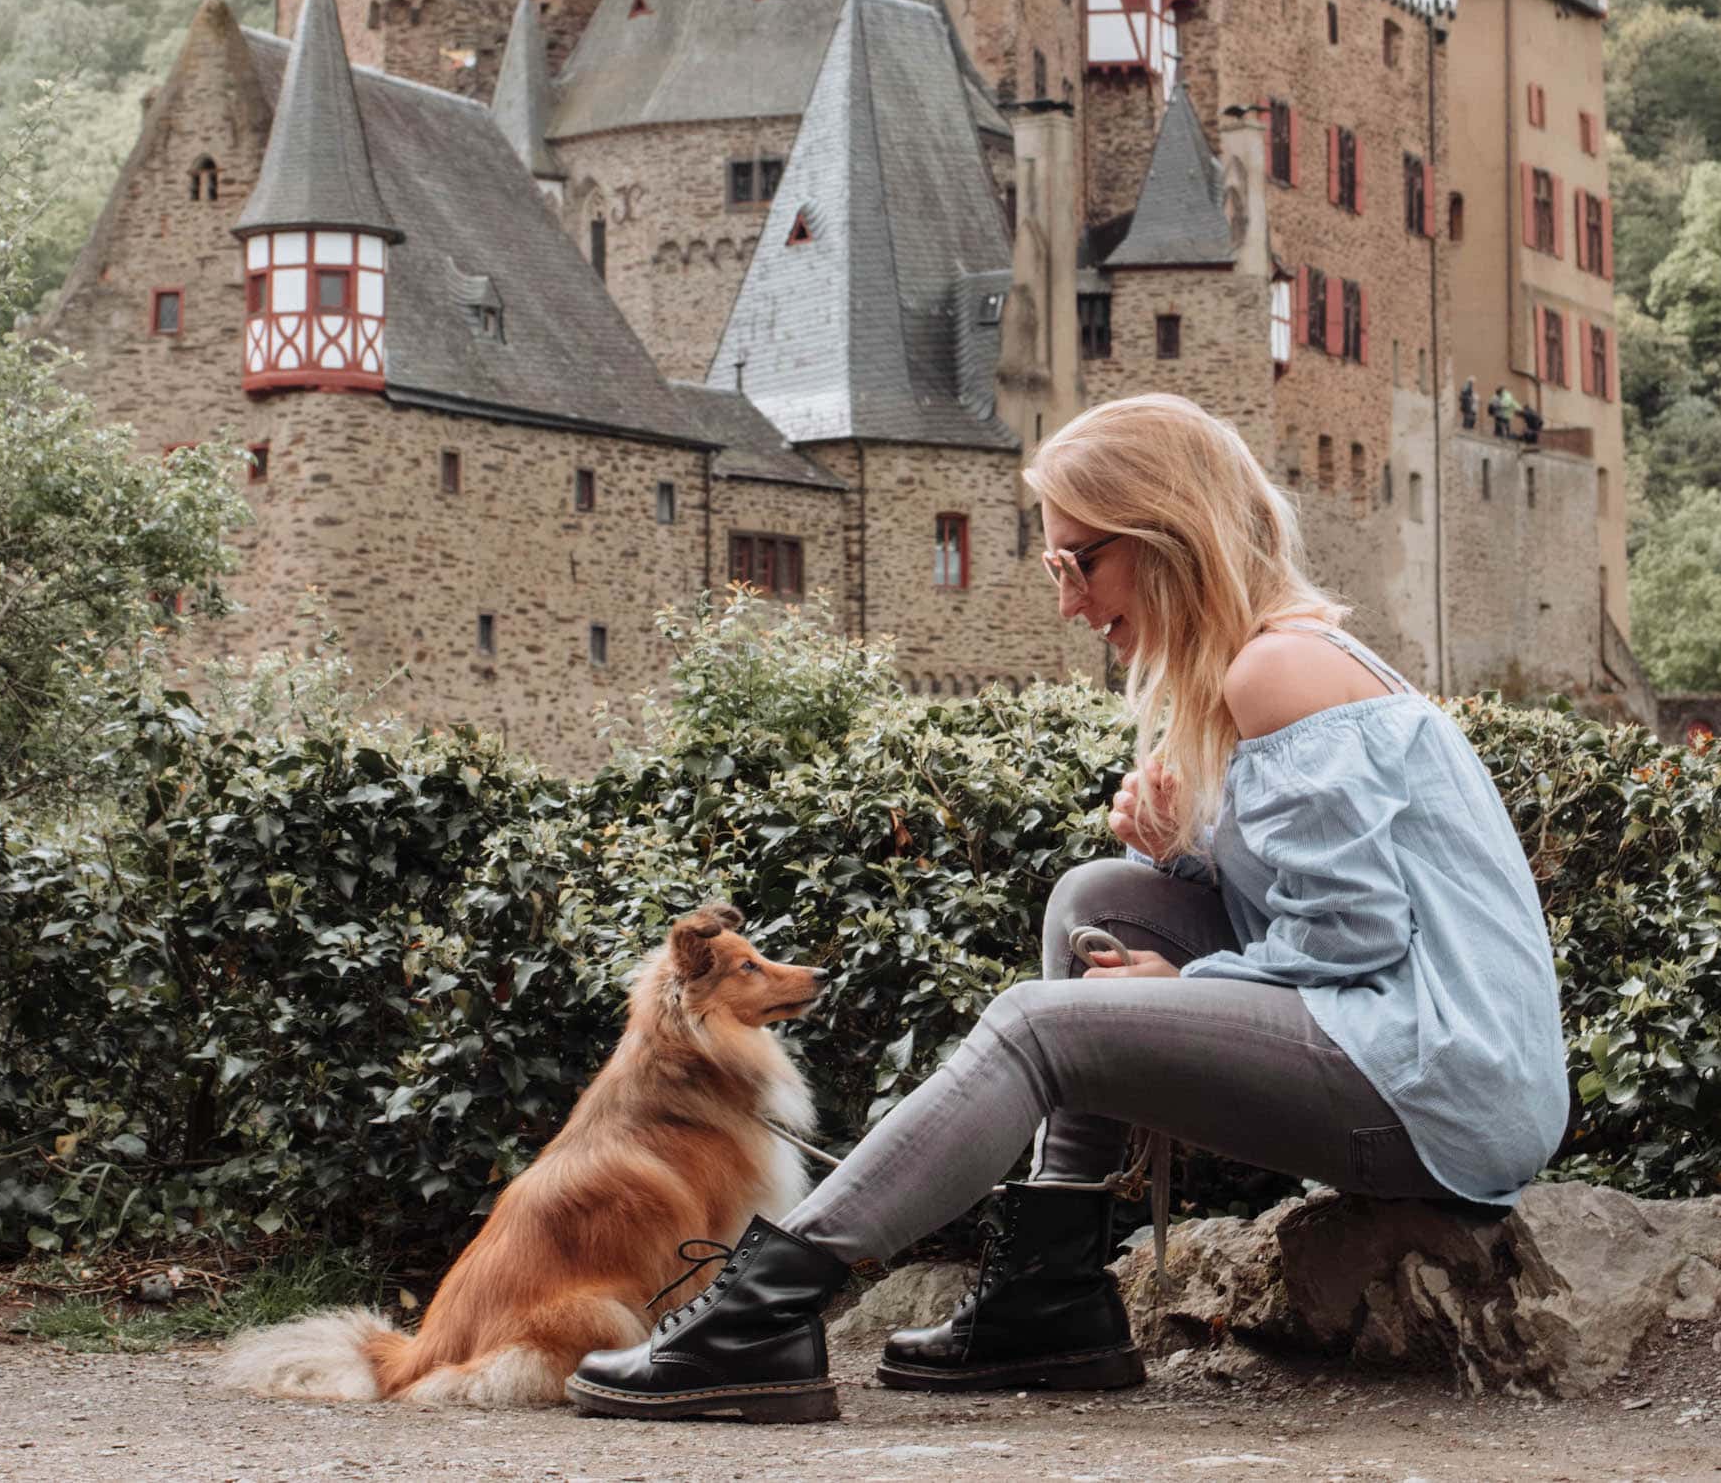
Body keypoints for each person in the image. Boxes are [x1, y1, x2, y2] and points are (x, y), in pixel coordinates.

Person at [567, 394, 1569, 1425]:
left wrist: (1189, 984)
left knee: (1040, 1024)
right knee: (1097, 899)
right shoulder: (1275, 658)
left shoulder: (1277, 669)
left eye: (1077, 562)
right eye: (1054, 568)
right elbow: (1325, 908)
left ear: (1164, 533)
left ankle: (759, 1312)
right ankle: (1050, 1297)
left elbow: (1353, 939)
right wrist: (1186, 848)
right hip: (1417, 1054)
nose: (1068, 602)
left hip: (1440, 1083)